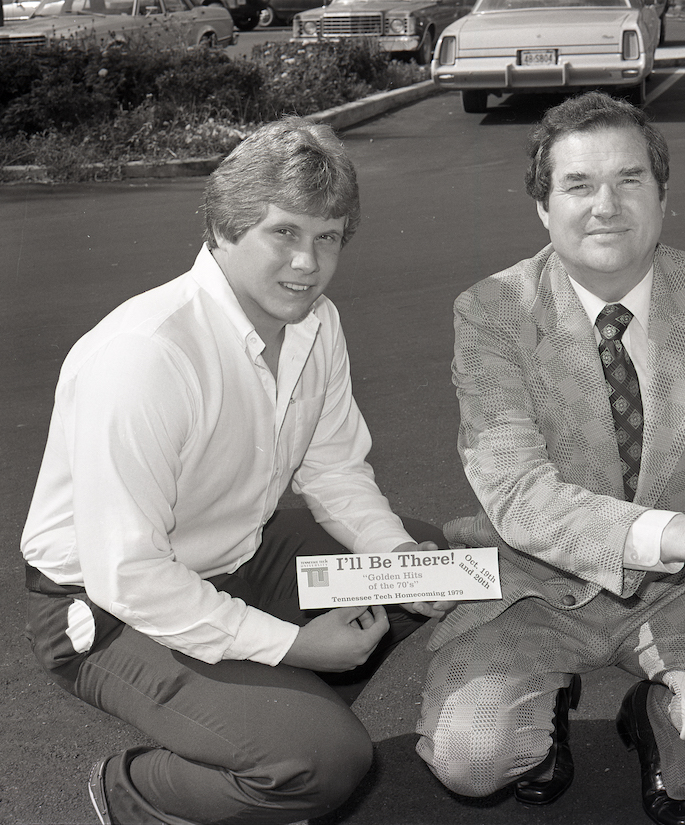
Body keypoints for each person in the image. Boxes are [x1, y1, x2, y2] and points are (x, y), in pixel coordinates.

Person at [20, 116, 453, 825]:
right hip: (102, 604)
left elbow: (335, 466)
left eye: (327, 237)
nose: (307, 263)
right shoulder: (145, 355)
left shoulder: (316, 323)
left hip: (237, 558)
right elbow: (129, 574)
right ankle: (136, 792)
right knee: (325, 760)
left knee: (423, 569)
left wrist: (396, 555)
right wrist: (294, 644)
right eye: (283, 232)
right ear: (223, 228)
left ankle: (264, 727)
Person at [415, 91, 685, 825]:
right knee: (472, 756)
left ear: (663, 197)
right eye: (577, 184)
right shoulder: (491, 311)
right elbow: (518, 494)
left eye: (629, 180)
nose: (605, 204)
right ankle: (537, 730)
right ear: (543, 207)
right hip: (539, 580)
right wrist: (679, 532)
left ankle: (661, 726)